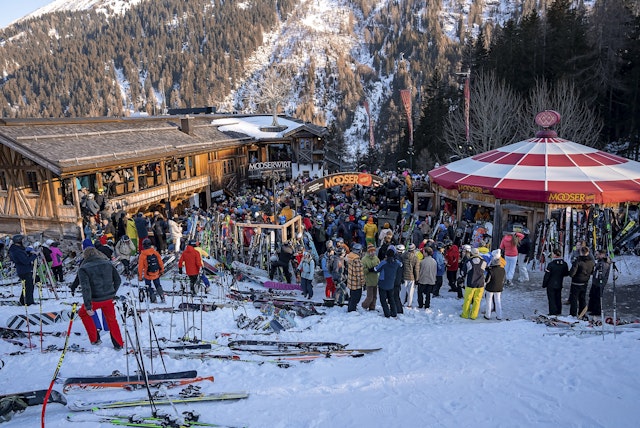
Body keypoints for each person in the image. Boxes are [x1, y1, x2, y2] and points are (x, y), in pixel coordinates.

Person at [77, 246, 124, 349]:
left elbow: (86, 288)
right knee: (112, 320)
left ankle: (95, 338)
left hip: (95, 299)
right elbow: (118, 280)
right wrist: (112, 293)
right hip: (108, 299)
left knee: (83, 313)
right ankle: (119, 343)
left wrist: (88, 306)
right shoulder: (108, 263)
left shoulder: (83, 268)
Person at [8, 235, 37, 306]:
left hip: (23, 270)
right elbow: (25, 261)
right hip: (24, 270)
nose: (24, 241)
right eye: (23, 240)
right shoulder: (17, 251)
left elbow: (23, 256)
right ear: (19, 241)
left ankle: (23, 300)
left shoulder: (16, 249)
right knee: (29, 286)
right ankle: (28, 302)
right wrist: (34, 256)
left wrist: (29, 253)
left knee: (27, 286)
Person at [373, 248, 402, 318]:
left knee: (383, 300)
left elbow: (376, 269)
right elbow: (401, 265)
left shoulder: (384, 263)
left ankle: (387, 313)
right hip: (391, 283)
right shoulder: (396, 262)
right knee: (391, 298)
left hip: (382, 283)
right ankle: (394, 312)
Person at [568, 246, 596, 317]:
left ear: (581, 252)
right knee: (582, 299)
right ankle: (582, 313)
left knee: (574, 299)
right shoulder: (591, 262)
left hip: (576, 282)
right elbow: (592, 272)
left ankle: (573, 314)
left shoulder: (578, 261)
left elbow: (572, 273)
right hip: (585, 282)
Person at [461, 248, 487, 320]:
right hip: (480, 284)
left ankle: (465, 314)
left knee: (467, 299)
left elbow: (463, 273)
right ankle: (474, 315)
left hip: (470, 283)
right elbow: (485, 271)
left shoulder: (468, 262)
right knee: (477, 300)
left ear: (471, 253)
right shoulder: (483, 261)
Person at [542, 249, 569, 316]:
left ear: (554, 255)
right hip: (559, 283)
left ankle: (552, 312)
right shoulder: (564, 264)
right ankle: (558, 310)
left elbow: (547, 275)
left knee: (551, 299)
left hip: (551, 284)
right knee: (558, 297)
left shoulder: (551, 264)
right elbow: (566, 273)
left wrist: (544, 284)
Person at [138, 238, 166, 303]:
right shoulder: (155, 252)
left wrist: (140, 277)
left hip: (147, 274)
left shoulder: (142, 255)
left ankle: (153, 299)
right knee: (158, 285)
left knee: (148, 287)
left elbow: (140, 267)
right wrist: (162, 270)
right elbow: (160, 262)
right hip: (156, 273)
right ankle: (162, 296)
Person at [588, 250, 611, 316]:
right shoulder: (600, 262)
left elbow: (601, 274)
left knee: (597, 297)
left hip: (599, 283)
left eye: (597, 254)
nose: (596, 256)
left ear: (602, 255)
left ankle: (597, 310)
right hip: (596, 282)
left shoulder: (604, 263)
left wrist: (597, 275)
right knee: (592, 295)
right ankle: (592, 308)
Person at [484, 249, 506, 320]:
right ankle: (499, 315)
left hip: (490, 288)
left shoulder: (491, 270)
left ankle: (488, 315)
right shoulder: (503, 270)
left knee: (489, 301)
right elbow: (504, 279)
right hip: (499, 287)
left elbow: (487, 280)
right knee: (498, 301)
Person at [345, 243, 365, 312]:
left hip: (351, 282)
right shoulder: (357, 261)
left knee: (352, 296)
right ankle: (352, 310)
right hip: (356, 284)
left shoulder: (350, 257)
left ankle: (350, 307)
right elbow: (359, 275)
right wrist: (363, 283)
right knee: (356, 298)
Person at [360, 243, 380, 311]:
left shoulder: (376, 258)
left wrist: (377, 269)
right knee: (370, 296)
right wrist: (369, 269)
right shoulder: (364, 259)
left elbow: (379, 265)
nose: (373, 253)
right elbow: (362, 270)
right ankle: (364, 305)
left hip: (375, 279)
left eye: (374, 251)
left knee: (374, 296)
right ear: (368, 252)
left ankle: (372, 307)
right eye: (371, 251)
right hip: (369, 280)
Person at [400, 244, 419, 308]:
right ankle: (409, 304)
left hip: (403, 276)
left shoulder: (403, 256)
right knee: (410, 292)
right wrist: (417, 278)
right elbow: (416, 269)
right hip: (411, 277)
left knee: (403, 291)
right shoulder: (415, 258)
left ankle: (401, 303)